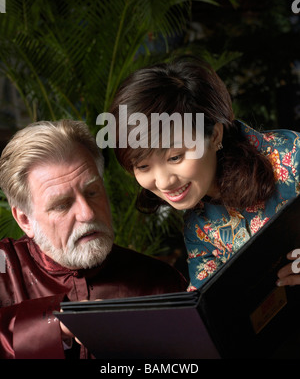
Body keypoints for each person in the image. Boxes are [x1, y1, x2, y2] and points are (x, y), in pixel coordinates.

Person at [109, 55, 300, 291]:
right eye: (143, 166)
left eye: (175, 157)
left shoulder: (292, 157)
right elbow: (206, 307)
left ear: (215, 135)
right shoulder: (197, 227)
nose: (164, 182)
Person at [0, 120, 187, 359]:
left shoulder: (162, 283)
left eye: (92, 192)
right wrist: (52, 325)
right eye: (62, 205)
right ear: (25, 220)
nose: (87, 213)